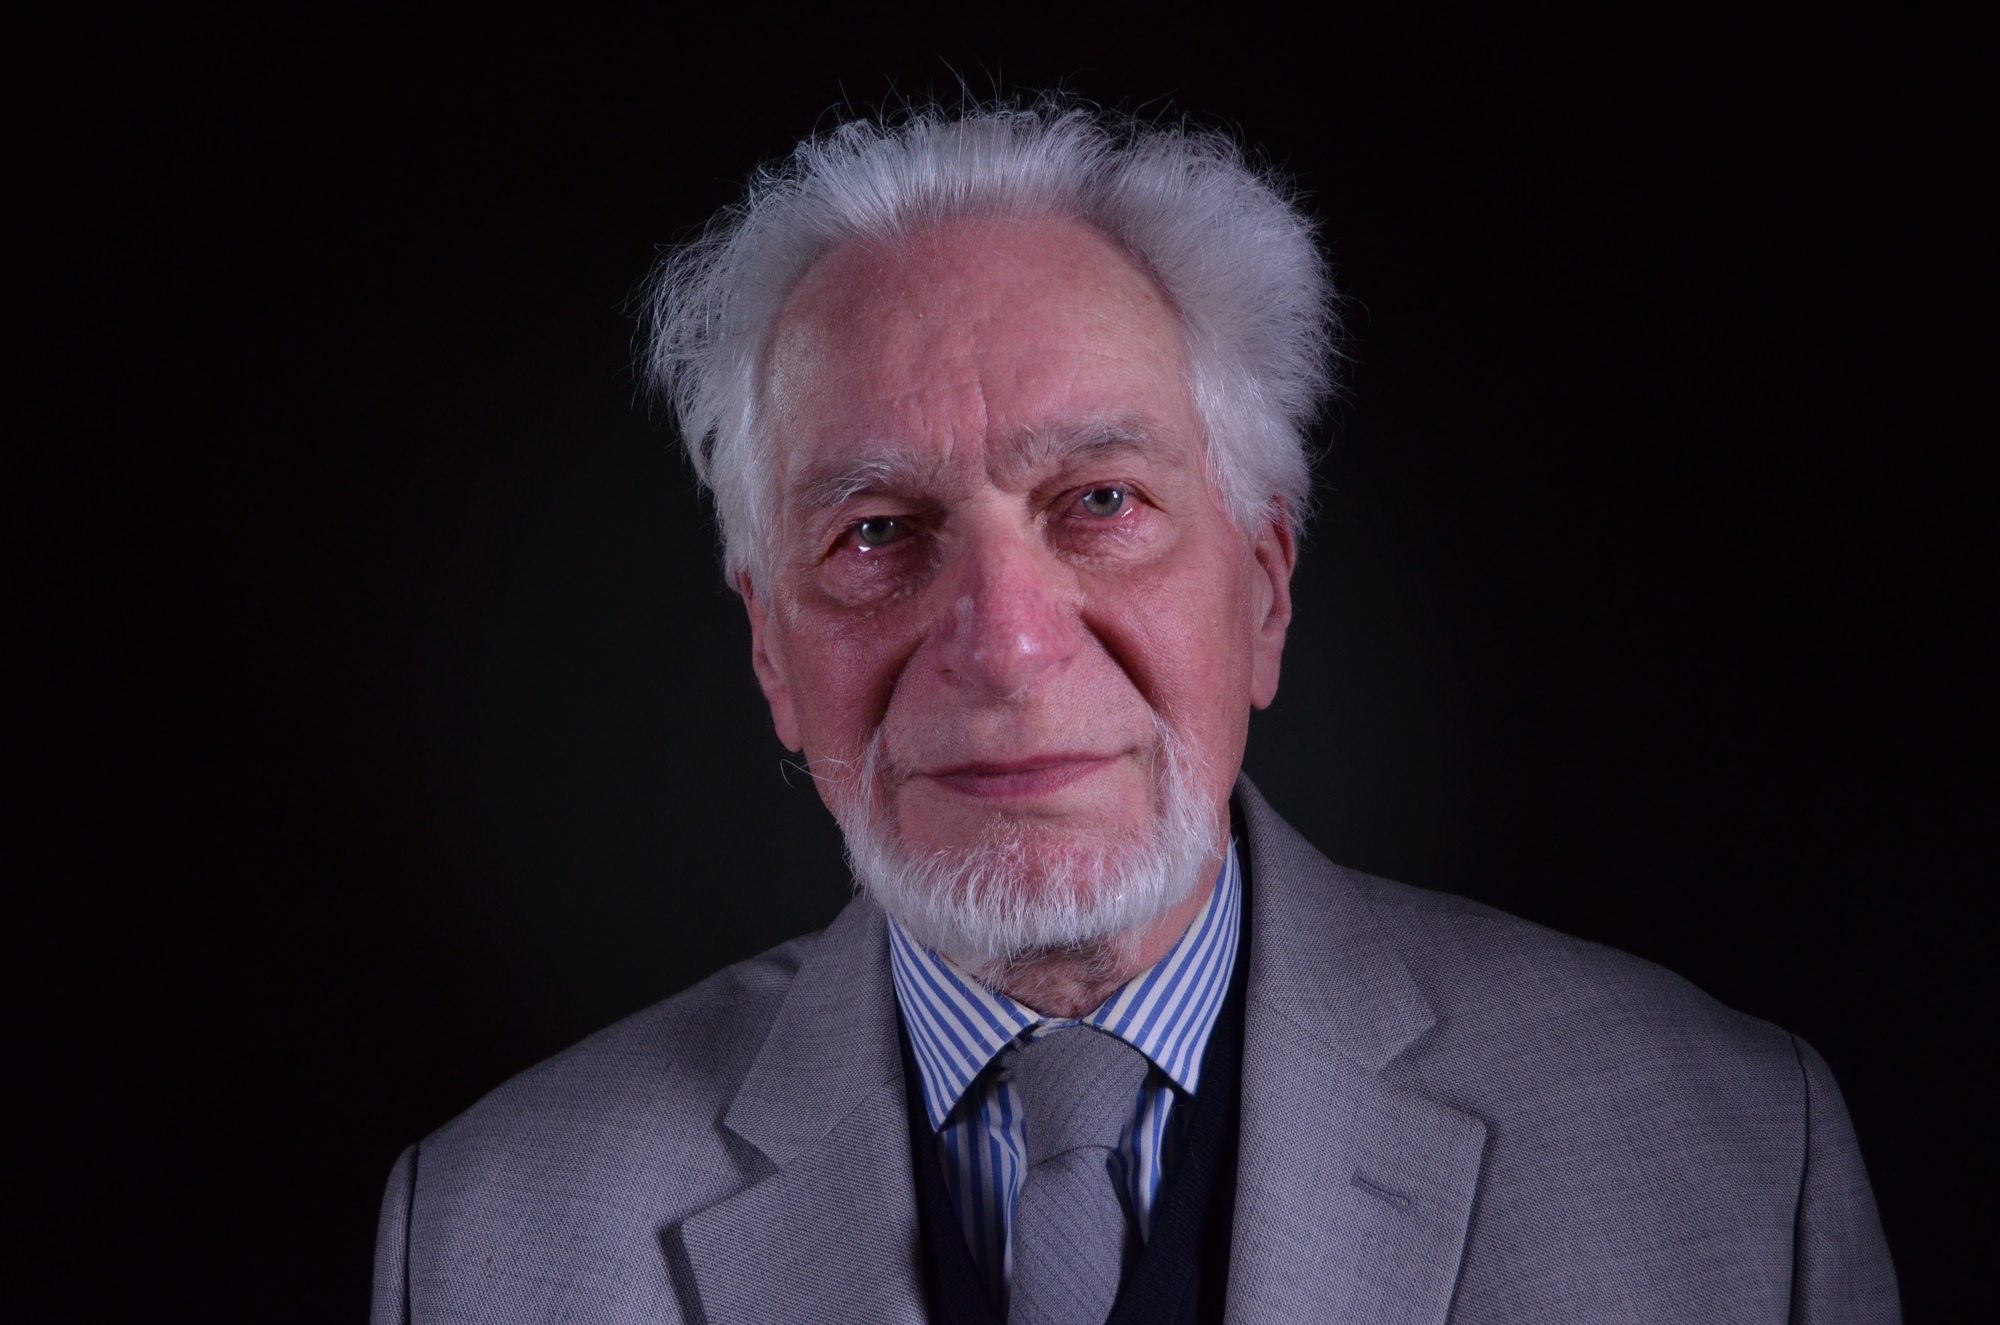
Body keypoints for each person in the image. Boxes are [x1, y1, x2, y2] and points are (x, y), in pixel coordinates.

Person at [371, 100, 1899, 1325]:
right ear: (771, 647)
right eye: (878, 533)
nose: (1005, 646)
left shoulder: (1735, 1162)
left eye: (1100, 502)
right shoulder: (489, 1235)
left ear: (1265, 590)